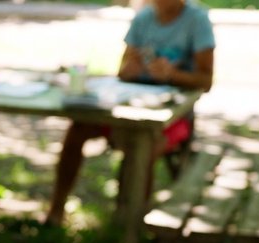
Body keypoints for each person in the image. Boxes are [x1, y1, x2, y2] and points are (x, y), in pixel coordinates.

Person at [45, 0, 215, 226]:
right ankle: (56, 211)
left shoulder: (197, 19)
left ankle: (130, 226)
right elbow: (123, 70)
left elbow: (206, 81)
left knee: (145, 146)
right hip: (131, 104)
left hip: (175, 114)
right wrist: (128, 71)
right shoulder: (144, 17)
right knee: (78, 127)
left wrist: (173, 74)